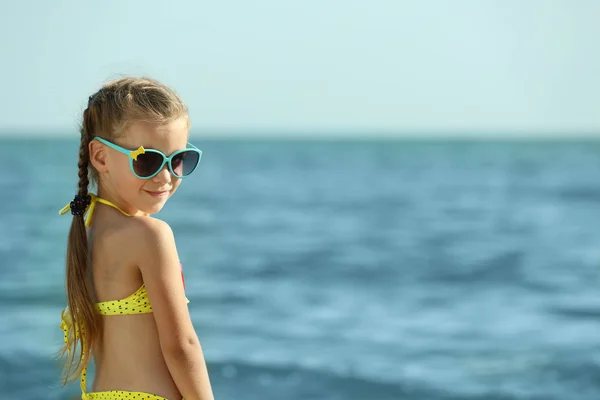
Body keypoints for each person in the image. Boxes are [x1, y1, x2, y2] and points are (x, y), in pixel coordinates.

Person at [56, 77, 215, 400]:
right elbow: (181, 346)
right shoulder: (150, 236)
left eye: (179, 159)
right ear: (101, 157)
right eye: (148, 160)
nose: (166, 176)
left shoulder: (86, 234)